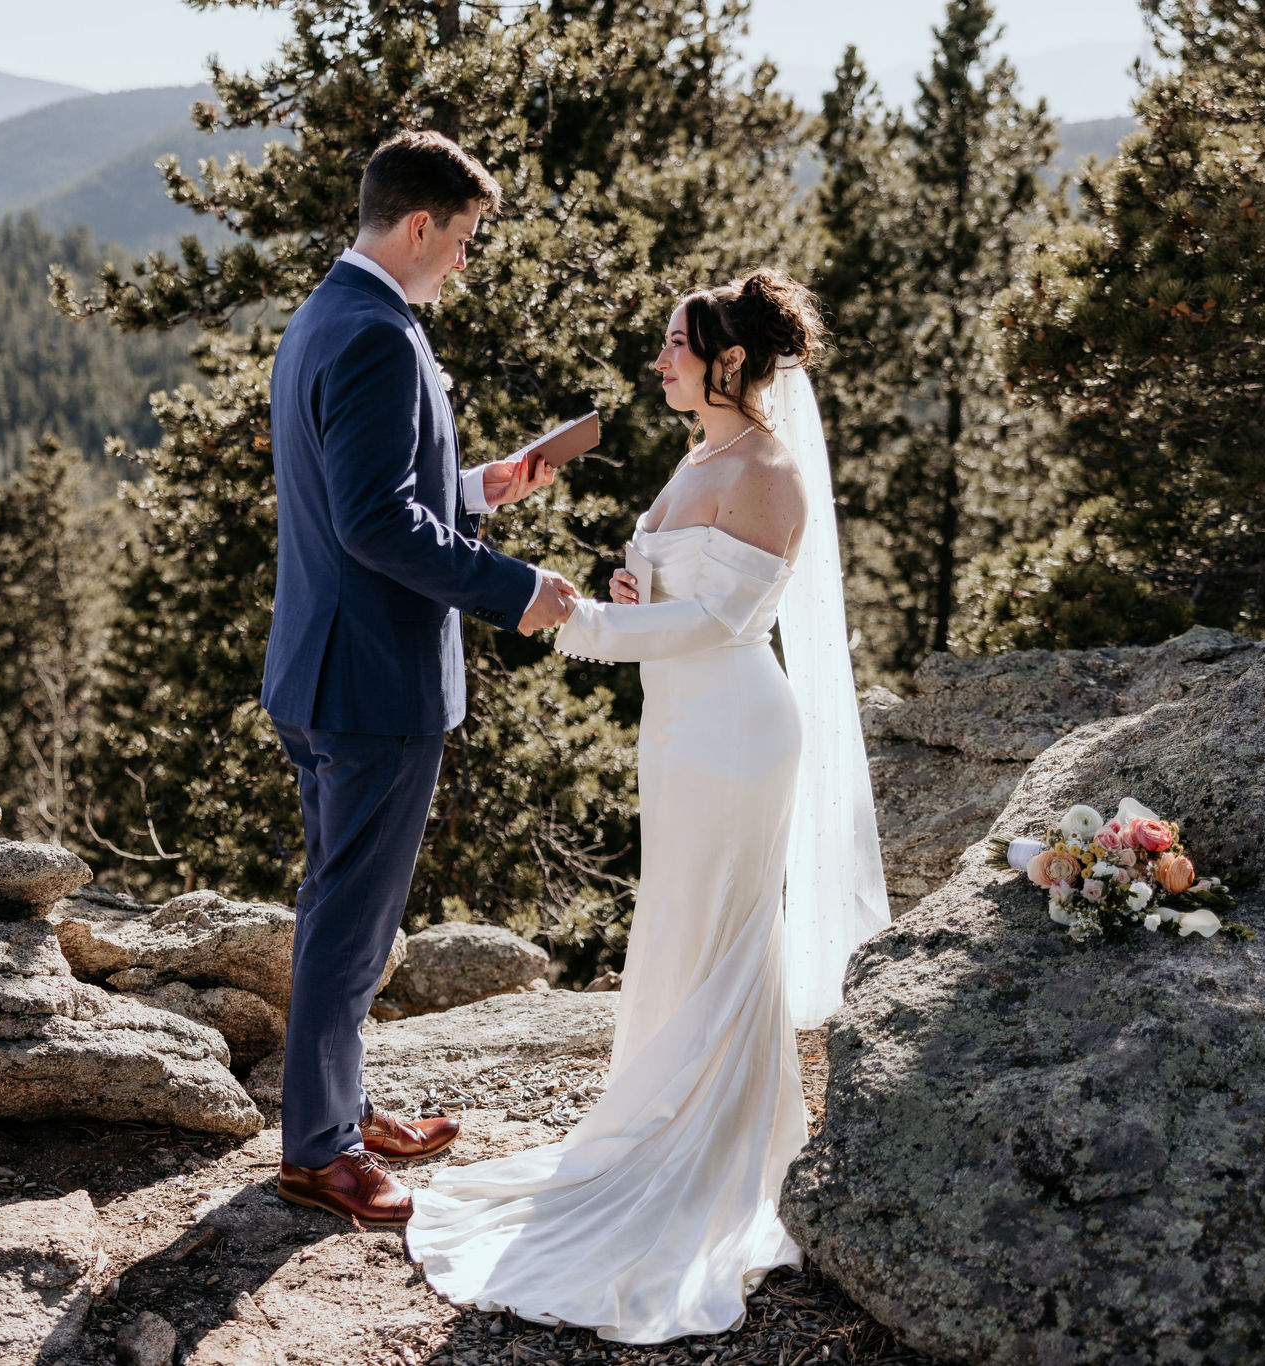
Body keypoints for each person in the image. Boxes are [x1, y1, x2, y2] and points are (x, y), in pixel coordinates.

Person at [404, 268, 892, 1342]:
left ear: (726, 361)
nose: (660, 359)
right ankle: (659, 1122)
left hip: (731, 734)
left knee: (718, 936)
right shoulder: (703, 453)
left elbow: (720, 626)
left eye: (676, 343)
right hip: (678, 734)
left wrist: (580, 624)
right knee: (675, 928)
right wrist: (633, 594)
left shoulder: (767, 469)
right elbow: (682, 595)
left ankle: (706, 1155)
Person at [262, 130, 579, 1226]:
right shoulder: (380, 337)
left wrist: (477, 488)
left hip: (318, 665)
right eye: (463, 238)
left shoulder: (325, 315)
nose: (464, 260)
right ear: (416, 227)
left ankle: (337, 1109)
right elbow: (369, 520)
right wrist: (510, 585)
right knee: (349, 919)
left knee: (337, 908)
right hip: (372, 683)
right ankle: (317, 1152)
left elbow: (376, 484)